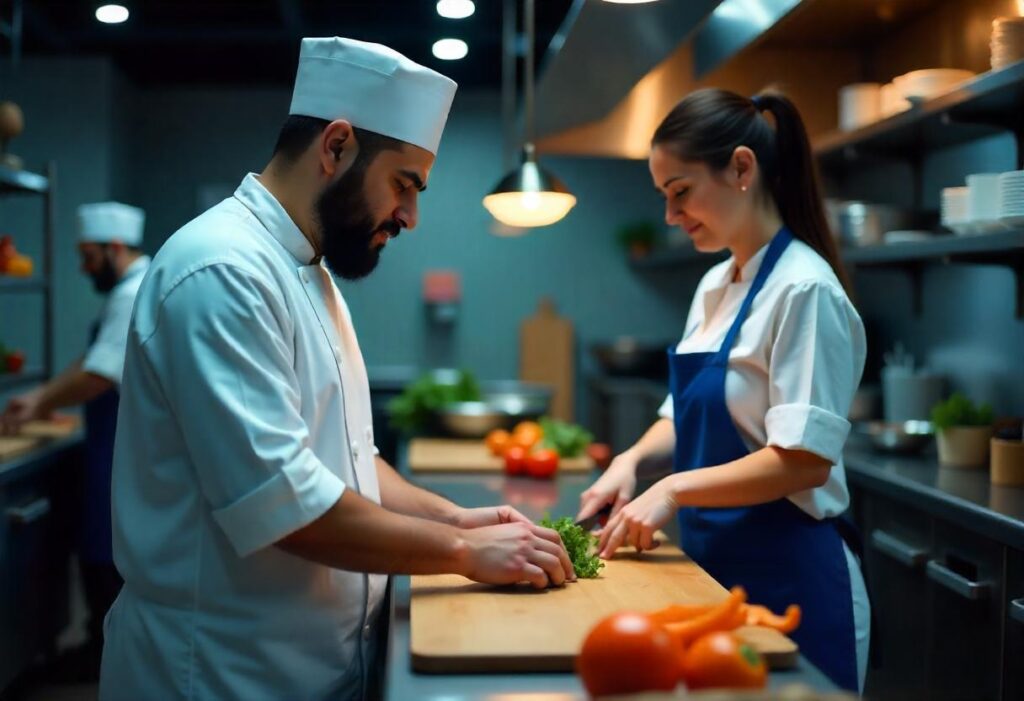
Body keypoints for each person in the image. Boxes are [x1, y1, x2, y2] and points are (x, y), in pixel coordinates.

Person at [98, 37, 574, 701]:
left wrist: (455, 519)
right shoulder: (220, 271)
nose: (409, 215)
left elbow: (350, 458)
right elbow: (286, 506)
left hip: (310, 670)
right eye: (404, 184)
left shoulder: (312, 275)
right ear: (337, 146)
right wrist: (462, 554)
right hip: (220, 674)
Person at [576, 88, 869, 693]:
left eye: (680, 191)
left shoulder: (804, 290)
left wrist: (674, 489)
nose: (670, 215)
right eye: (664, 197)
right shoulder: (716, 284)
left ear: (741, 168)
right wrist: (631, 463)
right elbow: (685, 413)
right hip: (714, 580)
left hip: (796, 585)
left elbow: (805, 462)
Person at [1, 202, 149, 681]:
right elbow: (92, 358)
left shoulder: (134, 293)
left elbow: (100, 372)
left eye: (88, 257)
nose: (83, 268)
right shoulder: (126, 291)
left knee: (106, 552)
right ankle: (99, 650)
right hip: (109, 442)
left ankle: (103, 659)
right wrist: (41, 398)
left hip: (123, 447)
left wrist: (40, 401)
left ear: (115, 247)